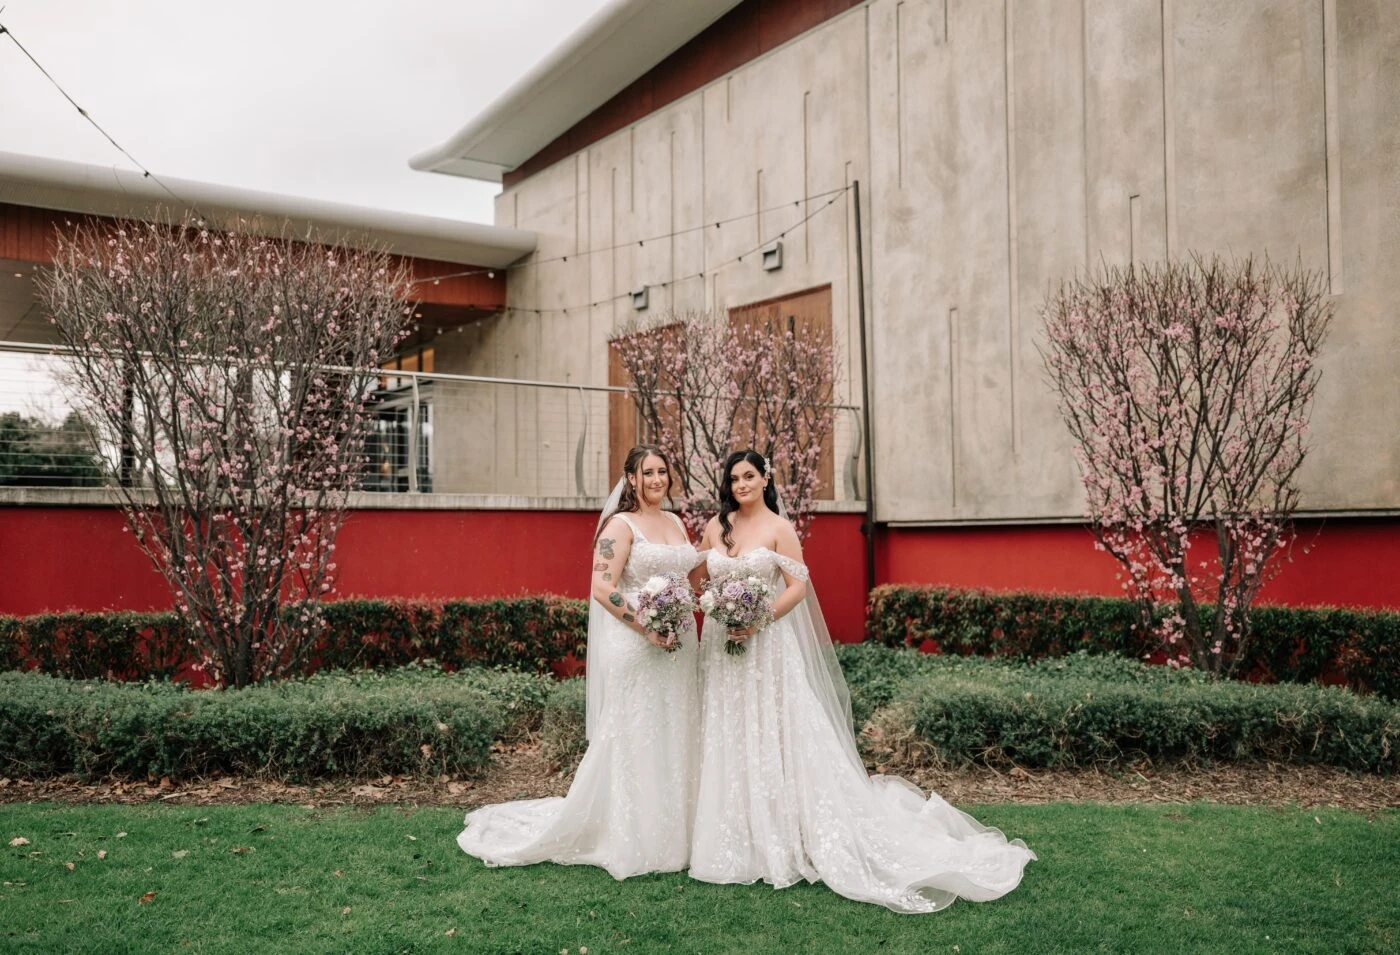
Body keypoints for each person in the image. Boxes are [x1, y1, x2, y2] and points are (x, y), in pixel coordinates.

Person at [687, 449, 1036, 913]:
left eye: (748, 476)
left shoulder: (779, 528)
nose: (740, 485)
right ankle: (734, 833)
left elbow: (797, 588)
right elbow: (698, 576)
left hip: (767, 648)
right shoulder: (716, 527)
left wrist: (758, 618)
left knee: (775, 731)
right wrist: (715, 606)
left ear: (764, 479)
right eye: (733, 479)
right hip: (724, 648)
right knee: (731, 730)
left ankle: (786, 832)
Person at [457, 445, 701, 879]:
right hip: (639, 644)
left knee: (676, 729)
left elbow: (692, 578)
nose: (657, 480)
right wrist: (648, 625)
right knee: (639, 734)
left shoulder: (677, 523)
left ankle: (678, 831)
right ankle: (637, 835)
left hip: (680, 645)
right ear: (631, 478)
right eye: (648, 472)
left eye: (663, 471)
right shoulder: (619, 526)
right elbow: (603, 588)